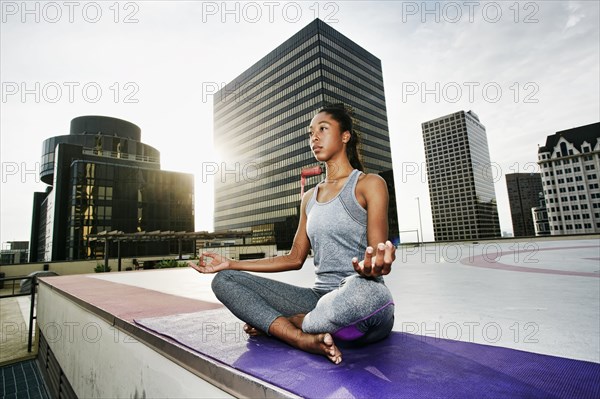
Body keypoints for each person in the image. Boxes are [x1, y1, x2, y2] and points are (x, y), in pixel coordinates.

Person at [189, 104, 396, 364]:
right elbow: (294, 258)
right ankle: (300, 337)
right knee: (224, 281)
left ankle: (289, 323)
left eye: (323, 129)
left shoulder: (370, 184)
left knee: (365, 294)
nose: (314, 138)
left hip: (358, 301)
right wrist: (231, 264)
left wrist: (374, 266)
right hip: (317, 300)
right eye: (311, 133)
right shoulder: (309, 197)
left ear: (345, 136)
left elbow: (377, 253)